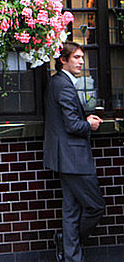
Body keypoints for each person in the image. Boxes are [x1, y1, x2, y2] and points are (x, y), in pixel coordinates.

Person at [43, 42, 106, 262]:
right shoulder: (64, 85)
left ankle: (71, 256)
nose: (81, 62)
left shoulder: (57, 82)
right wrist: (89, 124)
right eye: (76, 57)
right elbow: (72, 125)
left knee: (71, 211)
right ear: (63, 60)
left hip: (65, 158)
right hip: (74, 158)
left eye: (82, 58)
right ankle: (69, 242)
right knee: (95, 206)